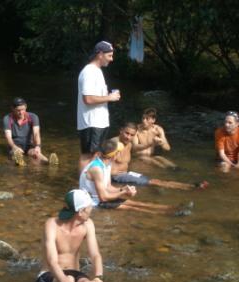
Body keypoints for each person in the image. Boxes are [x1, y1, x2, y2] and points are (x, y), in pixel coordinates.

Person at [36, 189, 127, 282]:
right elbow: (52, 262)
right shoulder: (51, 224)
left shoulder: (88, 224)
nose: (92, 208)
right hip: (49, 275)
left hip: (74, 272)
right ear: (80, 211)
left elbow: (95, 255)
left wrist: (98, 279)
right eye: (89, 206)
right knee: (69, 280)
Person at [79, 138, 193, 215]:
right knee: (134, 207)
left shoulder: (107, 164)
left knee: (138, 203)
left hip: (101, 197)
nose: (120, 153)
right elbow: (103, 198)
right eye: (118, 152)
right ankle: (172, 213)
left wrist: (123, 189)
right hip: (94, 202)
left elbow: (108, 186)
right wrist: (122, 194)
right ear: (113, 155)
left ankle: (174, 208)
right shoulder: (97, 169)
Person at [111, 122, 208, 190]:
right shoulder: (113, 144)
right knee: (155, 182)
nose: (128, 137)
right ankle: (191, 187)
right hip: (117, 176)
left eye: (132, 135)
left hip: (127, 173)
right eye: (126, 133)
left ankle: (189, 186)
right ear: (121, 130)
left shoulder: (128, 143)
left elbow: (138, 148)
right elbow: (98, 161)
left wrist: (154, 142)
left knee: (152, 180)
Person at [77, 41, 121, 170]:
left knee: (96, 154)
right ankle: (82, 186)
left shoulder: (97, 71)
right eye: (109, 56)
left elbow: (93, 95)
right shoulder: (89, 72)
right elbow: (88, 99)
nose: (111, 59)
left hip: (99, 122)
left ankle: (90, 183)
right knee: (87, 156)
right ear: (100, 54)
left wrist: (107, 95)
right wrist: (110, 97)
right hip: (90, 122)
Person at [3, 97, 58, 166]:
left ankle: (48, 162)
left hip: (29, 145)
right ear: (12, 109)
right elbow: (8, 137)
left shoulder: (33, 117)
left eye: (22, 109)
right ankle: (20, 163)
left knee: (36, 153)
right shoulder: (7, 118)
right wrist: (14, 147)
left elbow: (36, 134)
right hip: (15, 144)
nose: (21, 112)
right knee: (16, 154)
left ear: (26, 107)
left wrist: (38, 146)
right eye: (18, 110)